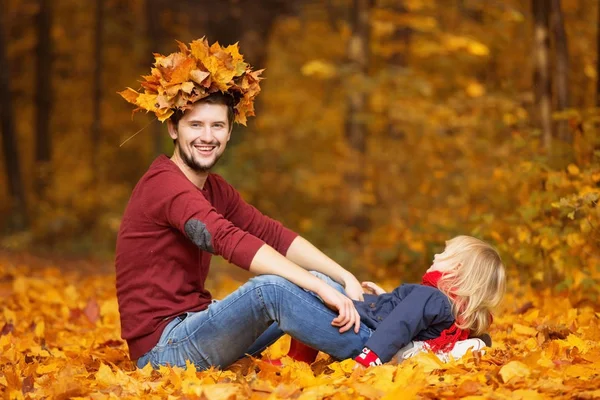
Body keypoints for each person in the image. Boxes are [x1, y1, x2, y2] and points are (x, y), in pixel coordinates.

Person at [116, 38, 369, 370]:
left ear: (229, 132)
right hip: (164, 349)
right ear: (173, 128)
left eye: (217, 125)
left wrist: (342, 276)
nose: (207, 136)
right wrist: (318, 287)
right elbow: (226, 238)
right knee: (273, 290)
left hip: (198, 323)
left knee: (323, 279)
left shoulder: (214, 188)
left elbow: (272, 234)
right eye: (195, 125)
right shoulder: (165, 185)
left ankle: (304, 362)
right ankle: (383, 352)